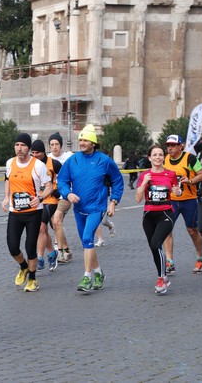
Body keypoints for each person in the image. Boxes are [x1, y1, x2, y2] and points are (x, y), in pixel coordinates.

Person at [57, 124, 124, 292]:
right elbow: (62, 180)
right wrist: (67, 194)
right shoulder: (73, 160)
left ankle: (87, 277)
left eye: (85, 139)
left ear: (93, 143)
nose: (82, 142)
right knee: (87, 243)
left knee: (88, 238)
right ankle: (99, 272)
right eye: (80, 139)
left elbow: (117, 181)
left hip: (97, 207)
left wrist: (113, 201)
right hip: (79, 208)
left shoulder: (105, 161)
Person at [3, 133, 52, 293]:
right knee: (12, 247)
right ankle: (23, 266)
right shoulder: (10, 163)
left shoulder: (38, 165)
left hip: (33, 212)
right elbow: (8, 180)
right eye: (17, 145)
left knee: (30, 247)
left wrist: (40, 197)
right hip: (15, 212)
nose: (19, 148)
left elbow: (49, 186)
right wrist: (5, 198)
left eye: (23, 145)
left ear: (29, 148)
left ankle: (32, 278)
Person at [135, 145, 181, 294]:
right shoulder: (144, 175)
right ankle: (163, 276)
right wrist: (143, 183)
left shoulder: (170, 174)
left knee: (156, 244)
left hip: (166, 214)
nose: (158, 157)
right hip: (149, 215)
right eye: (154, 155)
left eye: (160, 155)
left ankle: (162, 277)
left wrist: (178, 191)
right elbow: (137, 199)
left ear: (164, 157)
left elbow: (177, 191)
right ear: (149, 158)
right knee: (154, 248)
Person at [162, 134, 202, 274]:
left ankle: (200, 257)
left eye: (173, 145)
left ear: (180, 146)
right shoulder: (165, 160)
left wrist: (191, 181)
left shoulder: (190, 158)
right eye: (168, 145)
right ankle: (170, 262)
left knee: (192, 230)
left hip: (189, 200)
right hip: (171, 200)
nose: (170, 148)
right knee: (166, 229)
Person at [30, 139, 61, 272]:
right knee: (43, 231)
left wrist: (58, 190)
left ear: (43, 152)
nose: (35, 155)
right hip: (36, 200)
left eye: (38, 152)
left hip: (50, 200)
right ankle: (52, 253)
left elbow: (66, 178)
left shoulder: (54, 164)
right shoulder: (30, 164)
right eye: (33, 152)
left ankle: (40, 258)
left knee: (41, 228)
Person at [48, 132, 74, 263]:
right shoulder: (47, 159)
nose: (54, 147)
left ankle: (58, 249)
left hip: (66, 195)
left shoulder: (69, 157)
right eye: (52, 144)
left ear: (61, 145)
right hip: (51, 195)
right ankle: (66, 249)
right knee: (55, 224)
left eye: (56, 144)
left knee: (57, 221)